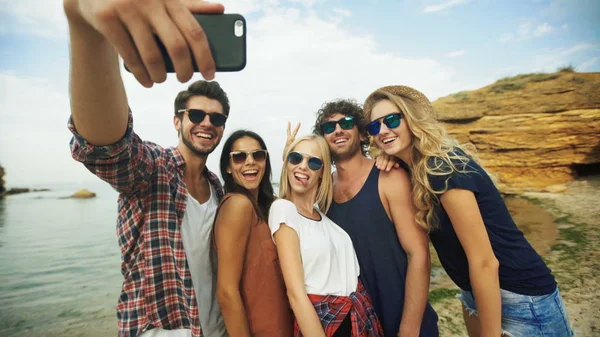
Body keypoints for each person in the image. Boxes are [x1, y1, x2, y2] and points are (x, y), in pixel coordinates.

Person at [64, 0, 232, 336]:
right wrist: (86, 30)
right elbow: (106, 148)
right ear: (177, 120)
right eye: (196, 115)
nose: (206, 123)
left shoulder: (218, 190)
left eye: (217, 118)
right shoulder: (154, 170)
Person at [363, 85, 574, 337]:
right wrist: (391, 160)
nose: (383, 130)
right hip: (477, 293)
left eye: (392, 120)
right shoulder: (416, 168)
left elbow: (485, 261)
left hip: (522, 298)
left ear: (412, 119)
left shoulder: (442, 167)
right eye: (374, 126)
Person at [310, 100, 439, 337]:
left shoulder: (390, 176)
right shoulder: (323, 191)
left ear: (361, 134)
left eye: (346, 123)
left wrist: (409, 330)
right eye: (328, 128)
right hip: (359, 324)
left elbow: (419, 254)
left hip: (404, 322)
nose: (337, 130)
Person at [268, 134, 384, 337]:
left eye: (313, 162)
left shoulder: (325, 218)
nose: (303, 166)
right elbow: (296, 294)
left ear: (323, 172)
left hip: (357, 318)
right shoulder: (283, 209)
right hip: (323, 323)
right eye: (296, 158)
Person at [213, 130, 294, 337]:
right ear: (228, 168)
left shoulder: (263, 207)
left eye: (258, 155)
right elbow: (226, 292)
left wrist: (290, 160)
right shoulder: (238, 205)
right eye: (239, 157)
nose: (250, 162)